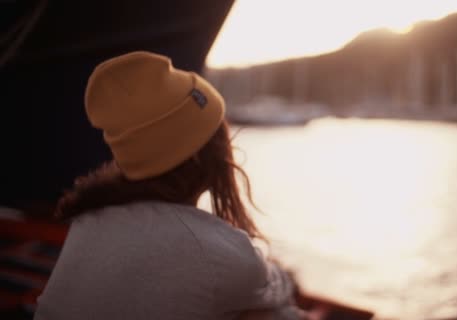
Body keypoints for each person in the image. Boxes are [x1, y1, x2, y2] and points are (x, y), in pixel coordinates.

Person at [34, 51, 308, 320]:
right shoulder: (216, 251)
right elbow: (274, 295)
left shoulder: (90, 220)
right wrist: (280, 275)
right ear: (200, 154)